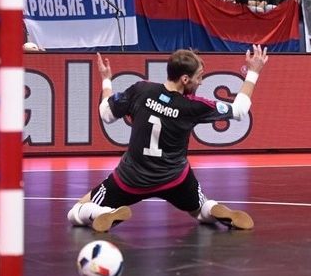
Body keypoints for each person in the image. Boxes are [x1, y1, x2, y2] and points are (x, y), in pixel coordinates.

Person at [67, 45, 269, 232]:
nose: (201, 81)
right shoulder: (194, 106)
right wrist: (254, 72)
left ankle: (102, 213)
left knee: (76, 211)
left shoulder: (141, 90)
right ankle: (212, 208)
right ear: (185, 79)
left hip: (131, 179)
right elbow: (240, 110)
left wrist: (106, 79)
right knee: (199, 209)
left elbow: (106, 114)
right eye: (199, 77)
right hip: (175, 179)